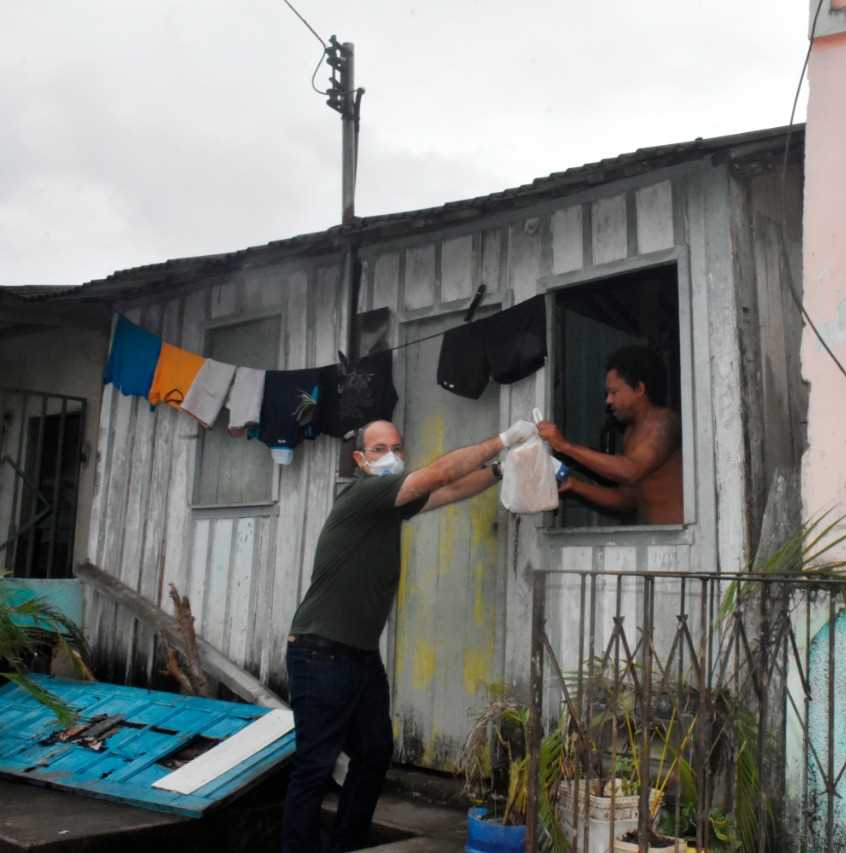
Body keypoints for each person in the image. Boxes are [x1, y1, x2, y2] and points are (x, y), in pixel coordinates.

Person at [280, 417, 537, 853]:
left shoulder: (390, 503)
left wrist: (500, 470)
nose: (391, 457)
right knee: (314, 766)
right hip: (320, 653)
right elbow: (440, 475)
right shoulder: (365, 493)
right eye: (379, 450)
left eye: (397, 447)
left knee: (375, 754)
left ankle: (346, 844)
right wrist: (504, 440)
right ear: (361, 460)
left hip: (358, 655)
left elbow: (451, 491)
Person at [538, 345, 683, 525]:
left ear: (639, 389)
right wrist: (573, 484)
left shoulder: (668, 423)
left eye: (614, 392)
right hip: (652, 543)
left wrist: (565, 446)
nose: (608, 400)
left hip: (681, 542)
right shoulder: (630, 433)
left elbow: (631, 470)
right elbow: (627, 500)